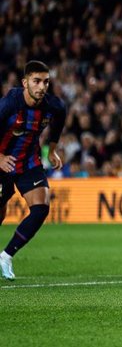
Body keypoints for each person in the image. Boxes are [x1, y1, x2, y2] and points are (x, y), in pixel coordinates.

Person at [0, 60, 66, 280]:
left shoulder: (52, 105)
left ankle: (6, 256)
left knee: (41, 208)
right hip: (3, 161)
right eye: (36, 81)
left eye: (46, 82)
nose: (42, 87)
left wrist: (52, 150)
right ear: (25, 82)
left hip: (29, 162)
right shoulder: (10, 103)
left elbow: (61, 117)